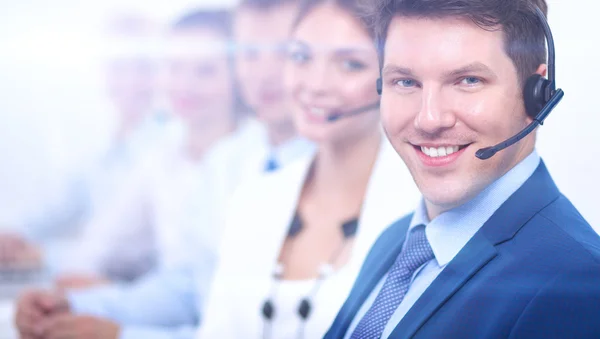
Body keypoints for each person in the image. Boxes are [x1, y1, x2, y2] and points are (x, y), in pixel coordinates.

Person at [13, 1, 314, 338]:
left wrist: (117, 331)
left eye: (287, 54)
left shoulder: (314, 166)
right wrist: (79, 305)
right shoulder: (223, 162)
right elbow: (189, 286)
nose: (264, 73)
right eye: (251, 55)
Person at [325, 0, 600, 338]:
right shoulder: (396, 241)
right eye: (406, 82)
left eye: (467, 80)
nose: (429, 119)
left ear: (536, 96)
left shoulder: (576, 285)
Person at [195, 0, 419, 338]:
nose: (315, 84)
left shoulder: (421, 208)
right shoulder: (254, 198)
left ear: (393, 77)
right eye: (300, 57)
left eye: (349, 64)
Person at [0, 12, 165, 279]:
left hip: (130, 286)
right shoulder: (103, 150)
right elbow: (57, 205)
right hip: (91, 276)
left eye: (143, 67)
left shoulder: (167, 146)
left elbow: (132, 249)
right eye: (118, 67)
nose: (130, 80)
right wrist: (14, 235)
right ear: (103, 71)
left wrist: (42, 253)